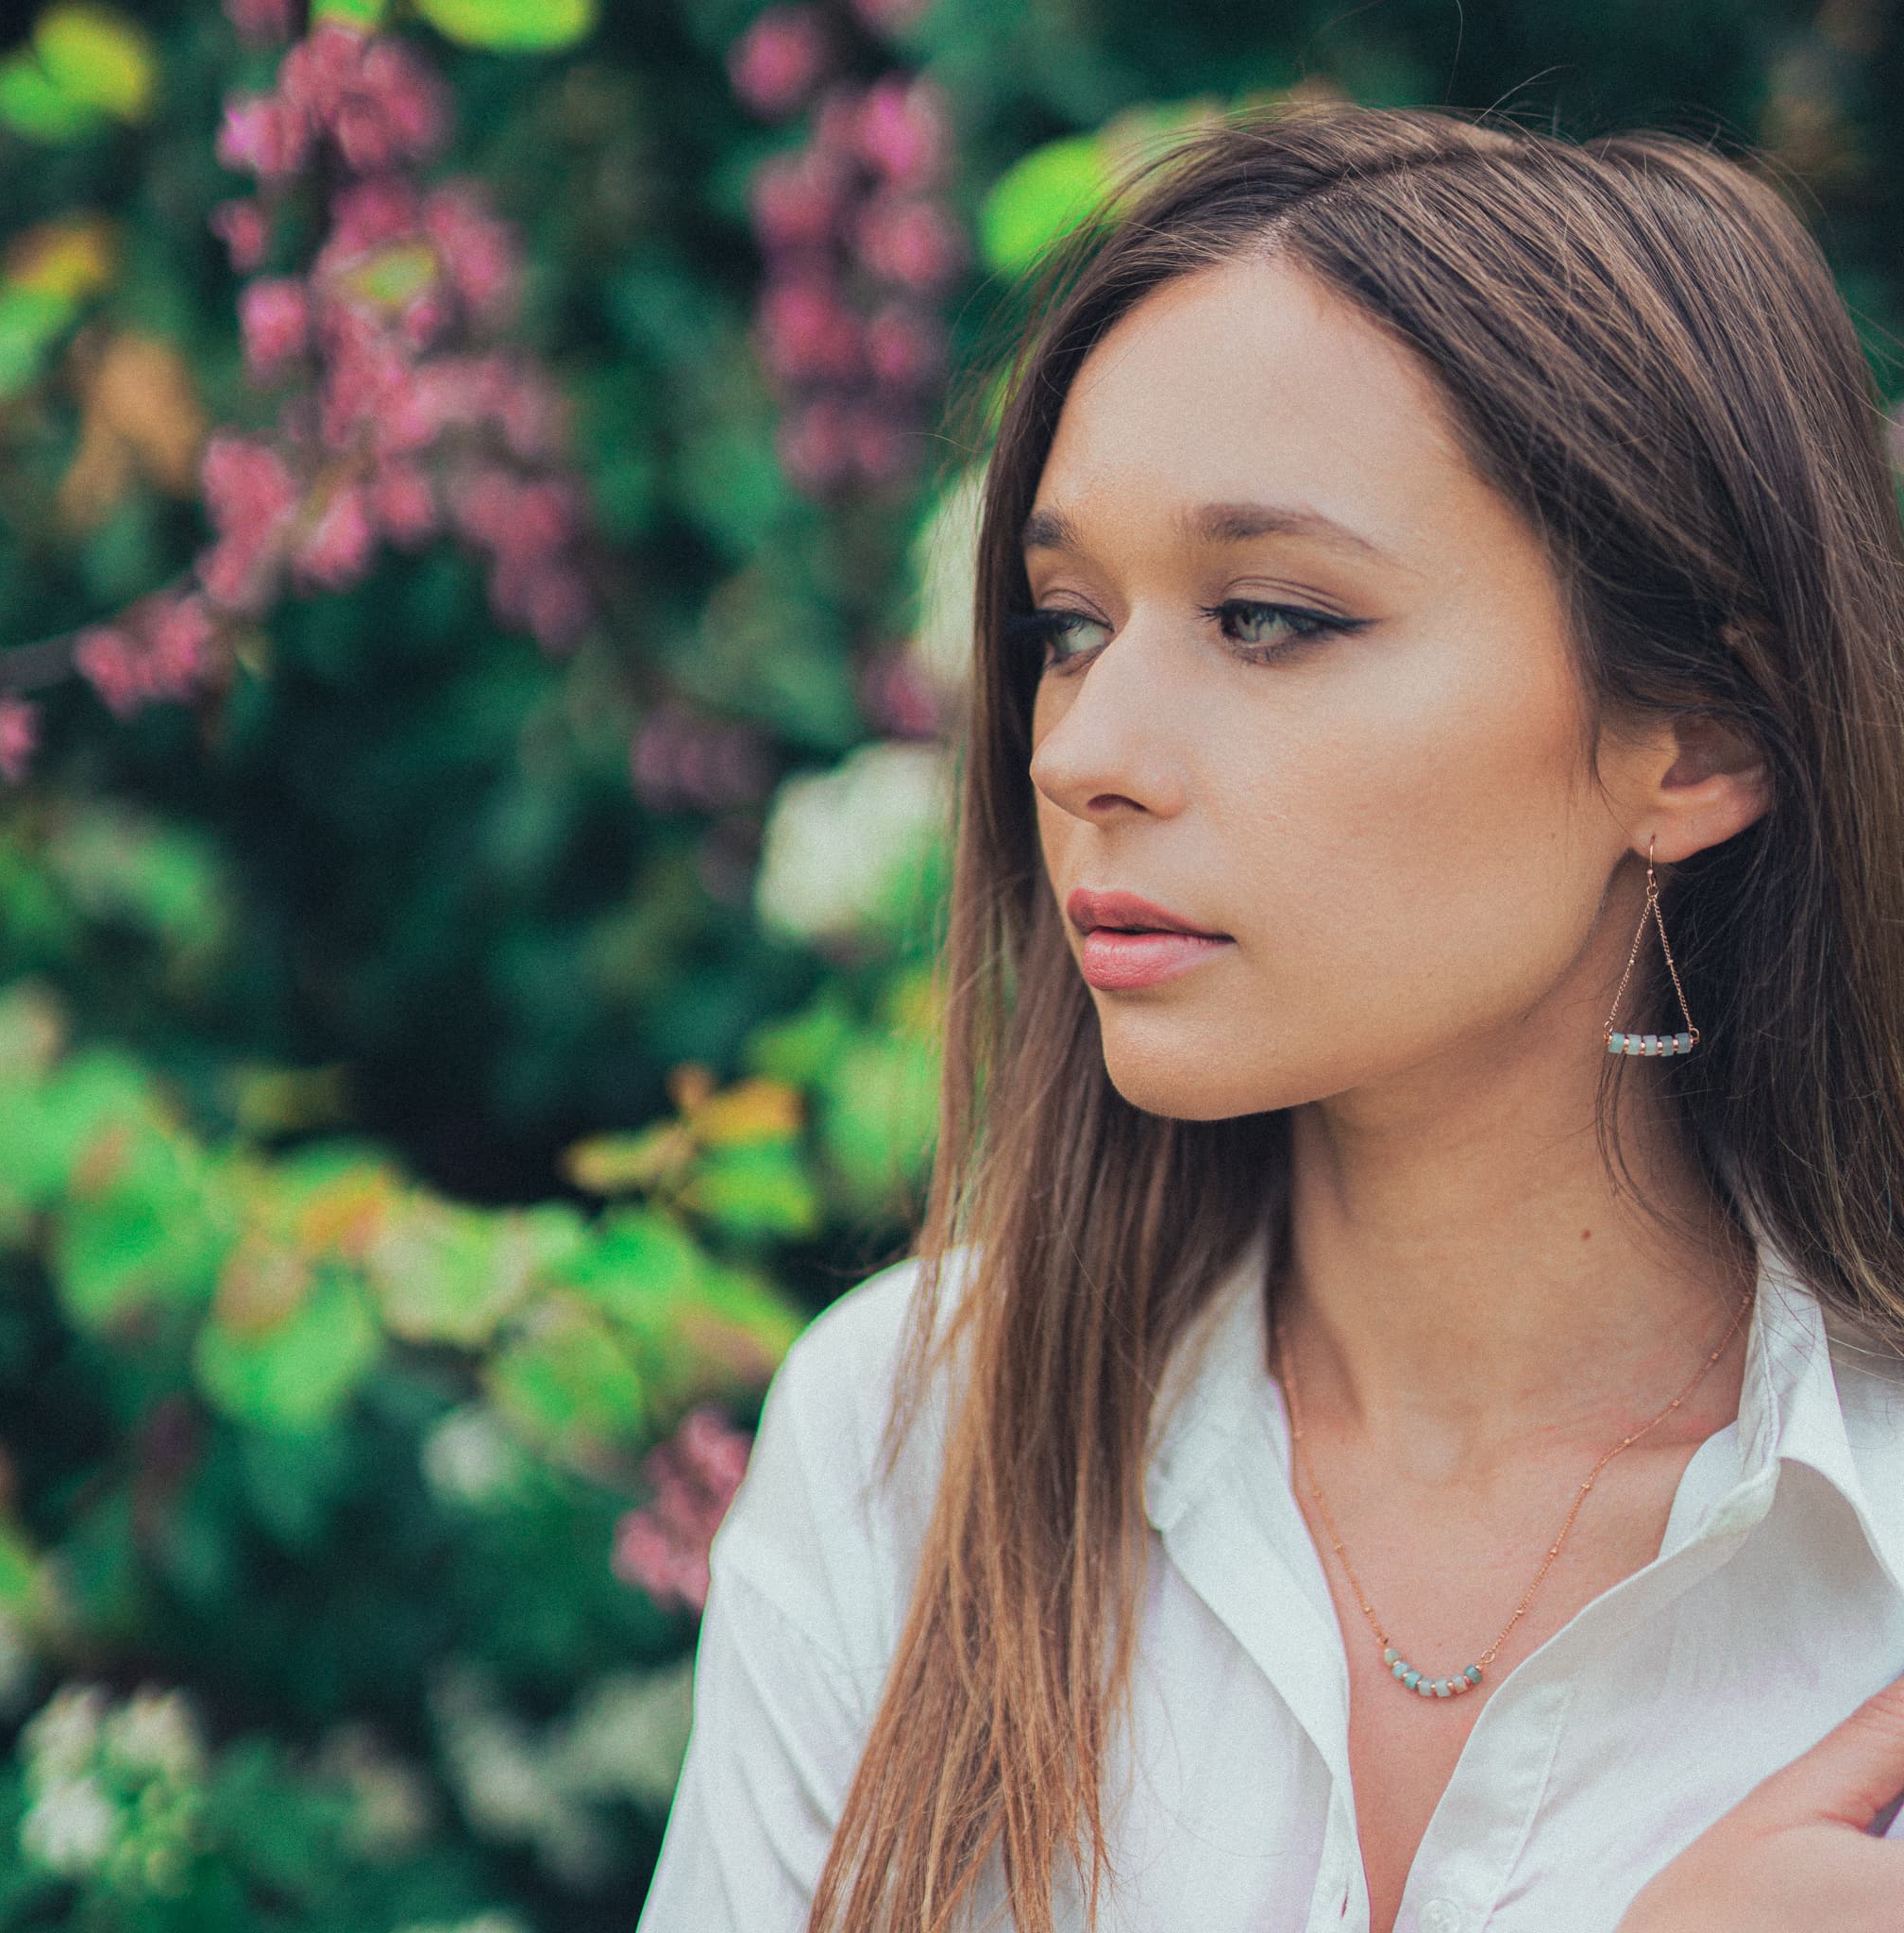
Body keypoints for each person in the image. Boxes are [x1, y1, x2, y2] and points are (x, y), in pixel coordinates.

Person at [635, 100, 1904, 1932]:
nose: (1082, 750)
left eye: (1269, 618)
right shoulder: (908, 1438)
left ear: (1697, 738)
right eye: (1068, 624)